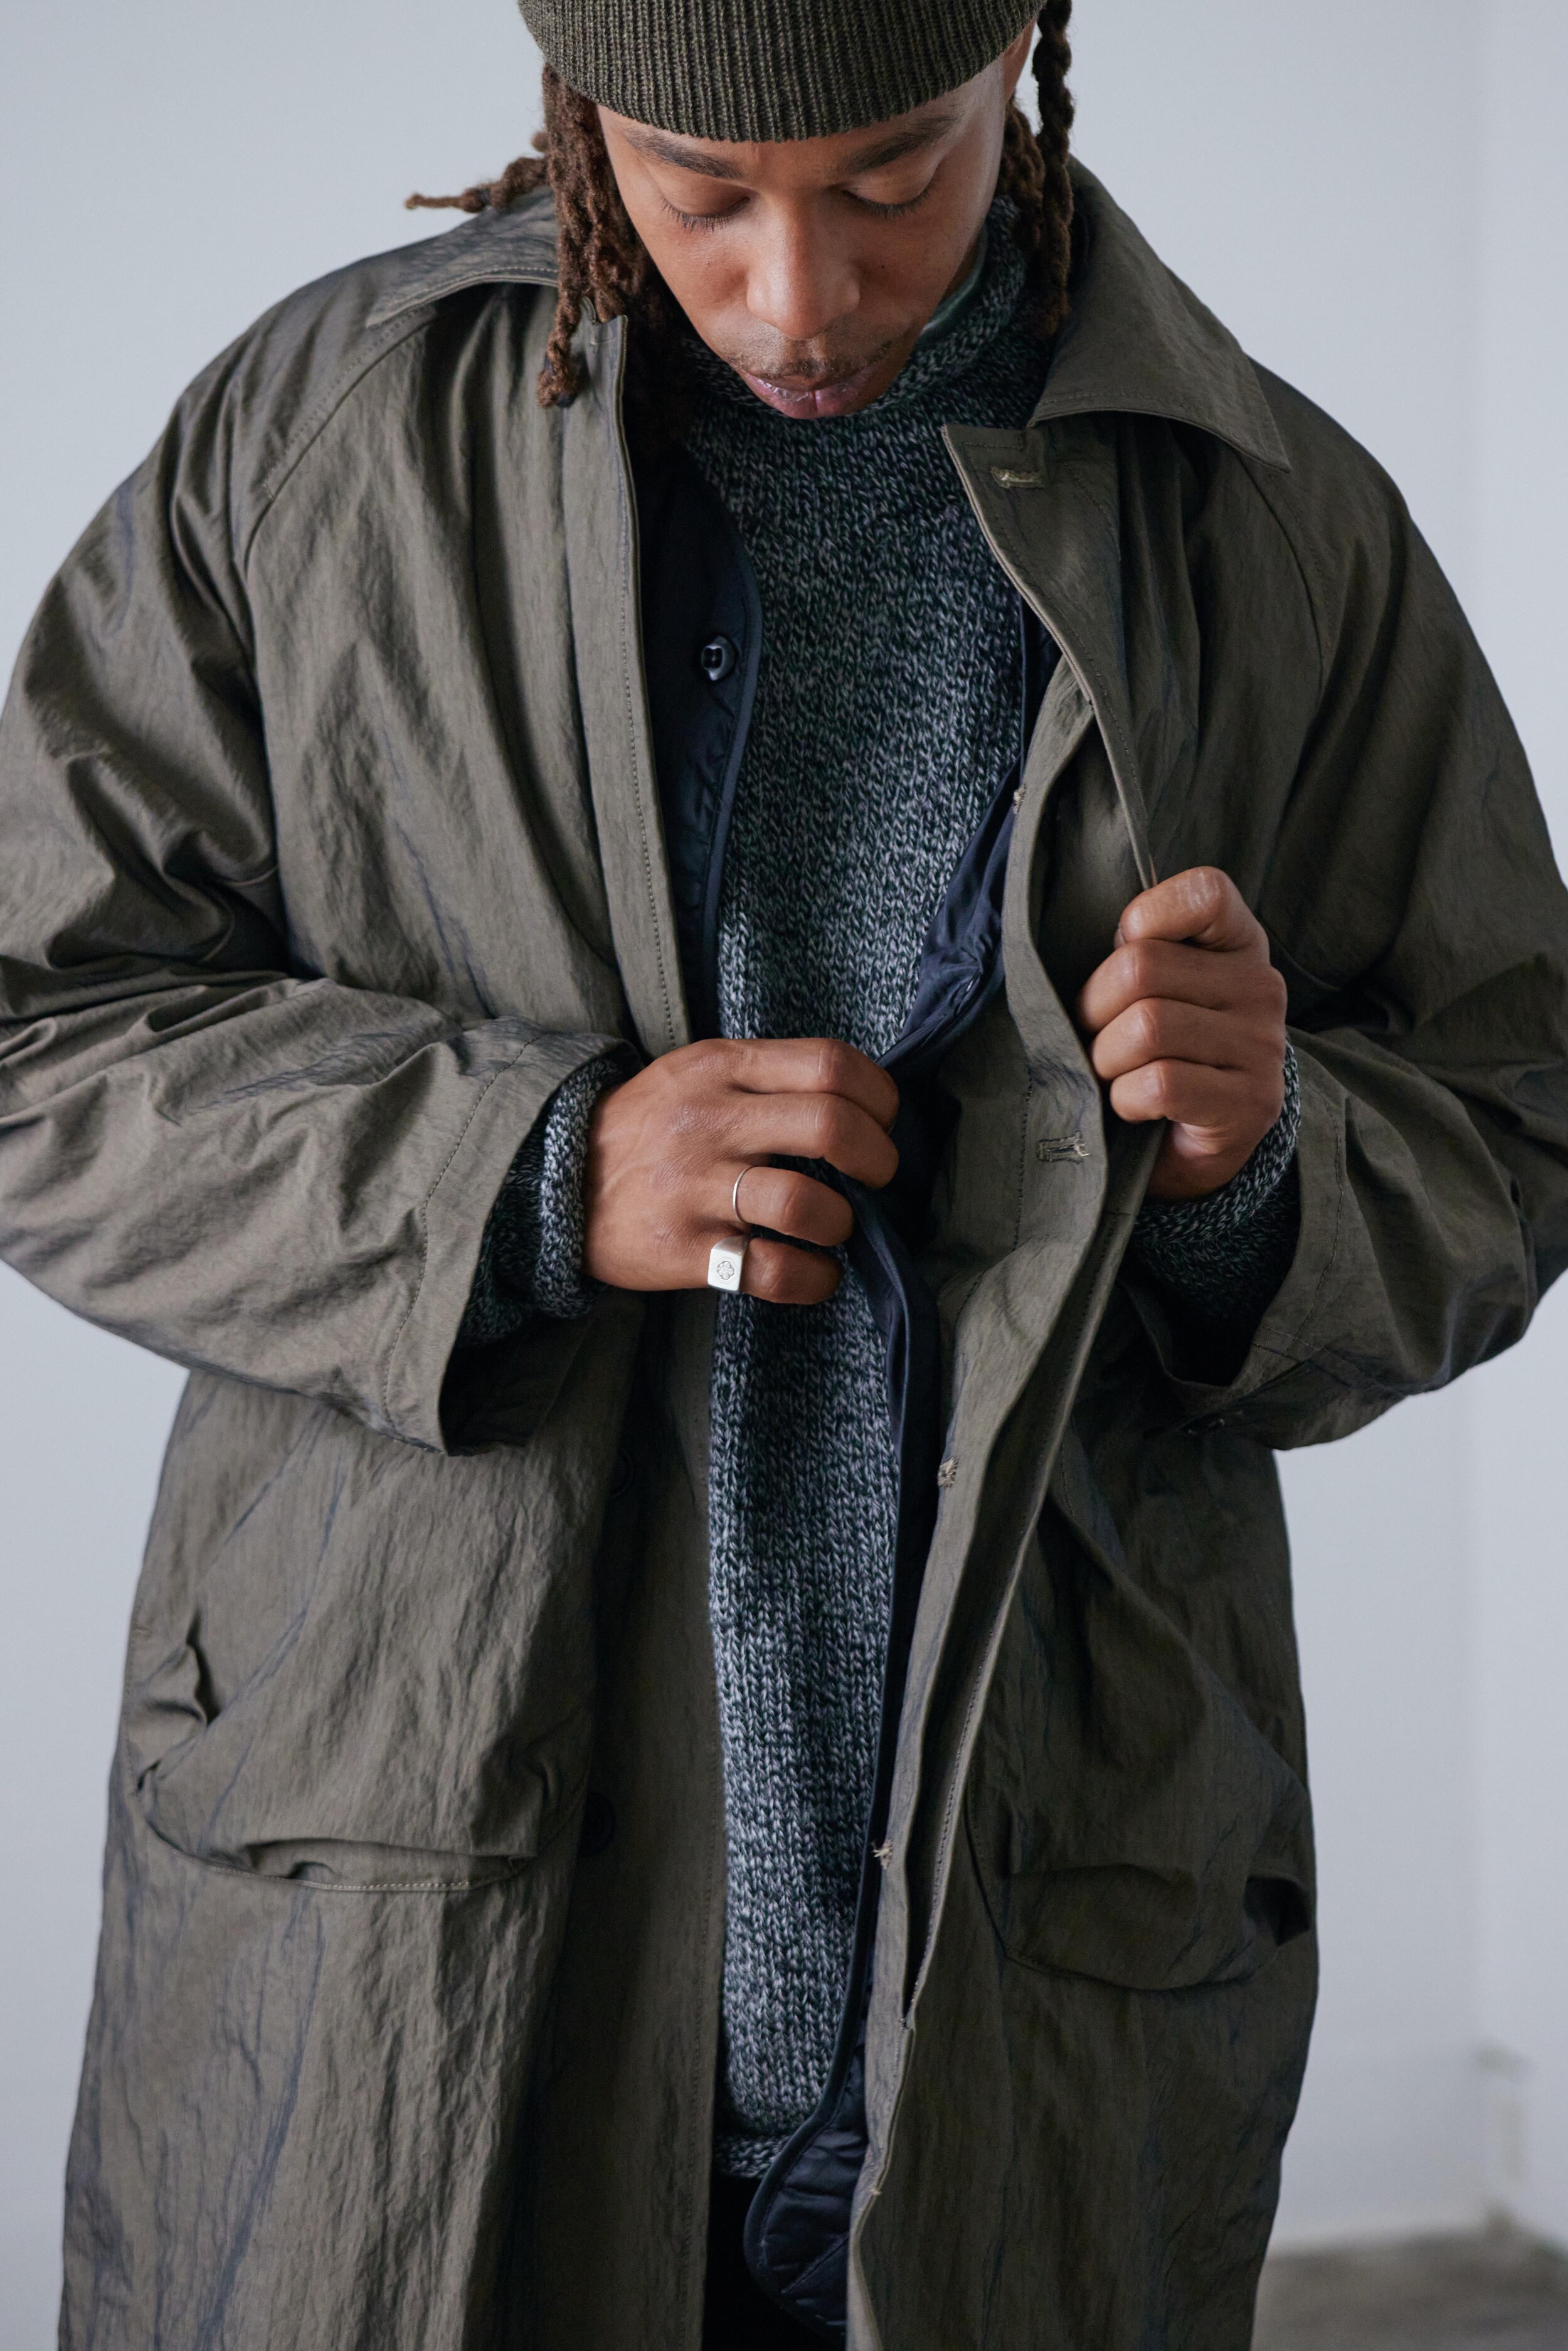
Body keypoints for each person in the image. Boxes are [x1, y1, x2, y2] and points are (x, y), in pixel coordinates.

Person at [3, 2, 1565, 2345]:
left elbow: (1508, 1112)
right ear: (571, 111)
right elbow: (38, 1030)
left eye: (891, 175)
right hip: (406, 1943)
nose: (797, 295)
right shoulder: (320, 445)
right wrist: (529, 1172)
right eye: (699, 186)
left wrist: (1257, 1161)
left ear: (1021, 55)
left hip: (1039, 1962)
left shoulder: (1264, 516)